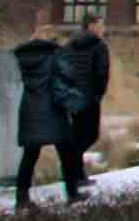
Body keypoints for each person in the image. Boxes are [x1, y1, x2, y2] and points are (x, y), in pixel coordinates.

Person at [14, 25, 87, 210]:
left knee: (29, 157)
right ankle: (72, 193)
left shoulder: (23, 57)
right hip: (53, 111)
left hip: (30, 110)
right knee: (67, 153)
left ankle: (21, 198)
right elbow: (70, 75)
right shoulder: (55, 55)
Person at [66, 14, 112, 185]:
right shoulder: (99, 46)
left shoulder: (71, 44)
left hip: (73, 96)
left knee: (78, 134)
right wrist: (98, 94)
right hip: (89, 97)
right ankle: (74, 170)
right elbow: (102, 73)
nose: (103, 29)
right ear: (91, 26)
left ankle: (77, 174)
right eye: (100, 25)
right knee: (91, 134)